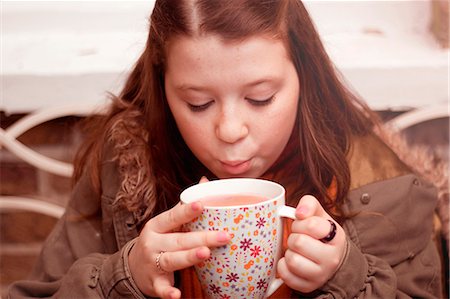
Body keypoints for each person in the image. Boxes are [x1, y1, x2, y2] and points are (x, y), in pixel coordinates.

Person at [9, 0, 444, 298]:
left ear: (304, 79)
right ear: (163, 88)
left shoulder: (382, 189)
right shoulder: (124, 169)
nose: (231, 130)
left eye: (260, 98)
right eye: (198, 103)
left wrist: (347, 275)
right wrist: (120, 278)